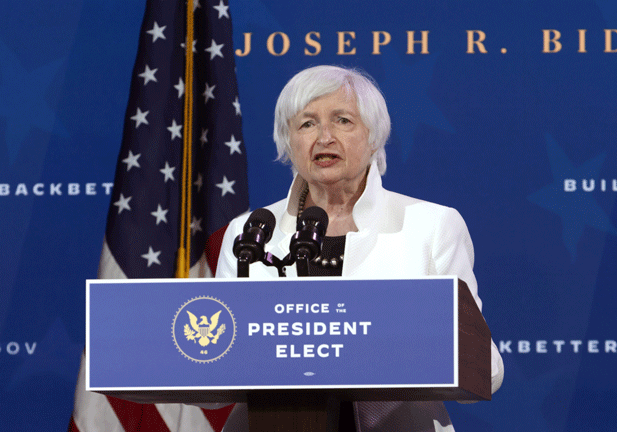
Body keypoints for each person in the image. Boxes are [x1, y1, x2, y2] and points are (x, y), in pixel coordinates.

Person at [215, 65, 504, 431]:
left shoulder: (431, 226)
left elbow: (485, 369)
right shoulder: (252, 233)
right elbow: (213, 368)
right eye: (307, 124)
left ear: (374, 137)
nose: (324, 137)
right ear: (288, 142)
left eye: (343, 121)